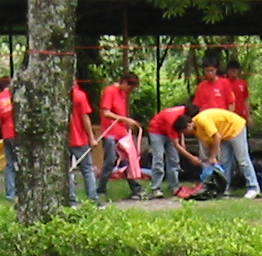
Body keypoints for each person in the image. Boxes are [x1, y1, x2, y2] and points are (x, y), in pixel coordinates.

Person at [183, 104, 259, 198]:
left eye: (185, 132)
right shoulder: (197, 132)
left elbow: (217, 136)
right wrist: (212, 160)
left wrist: (213, 157)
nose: (186, 135)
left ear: (189, 125)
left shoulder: (201, 120)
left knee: (242, 159)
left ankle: (253, 187)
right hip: (223, 134)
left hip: (235, 128)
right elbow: (210, 143)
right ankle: (224, 189)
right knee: (224, 162)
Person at [95, 70, 142, 201]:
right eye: (130, 88)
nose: (130, 91)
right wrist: (125, 119)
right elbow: (106, 112)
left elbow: (120, 113)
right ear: (124, 82)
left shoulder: (123, 94)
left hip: (122, 132)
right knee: (110, 160)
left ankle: (136, 188)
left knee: (129, 160)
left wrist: (127, 124)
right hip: (110, 132)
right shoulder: (110, 91)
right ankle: (101, 189)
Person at [146, 102, 192, 198]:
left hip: (170, 131)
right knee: (158, 158)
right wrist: (191, 158)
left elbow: (181, 127)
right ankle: (156, 188)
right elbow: (176, 144)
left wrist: (182, 140)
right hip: (156, 131)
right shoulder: (171, 119)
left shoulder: (184, 112)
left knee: (174, 159)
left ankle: (174, 186)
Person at [69, 80, 99, 204]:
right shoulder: (79, 95)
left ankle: (71, 200)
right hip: (78, 139)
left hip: (63, 141)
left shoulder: (56, 95)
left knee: (67, 171)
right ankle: (93, 199)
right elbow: (85, 117)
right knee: (87, 169)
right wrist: (91, 137)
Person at [0, 75, 16, 201]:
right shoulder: (15, 96)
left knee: (10, 164)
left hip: (7, 133)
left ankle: (10, 194)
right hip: (18, 133)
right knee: (23, 162)